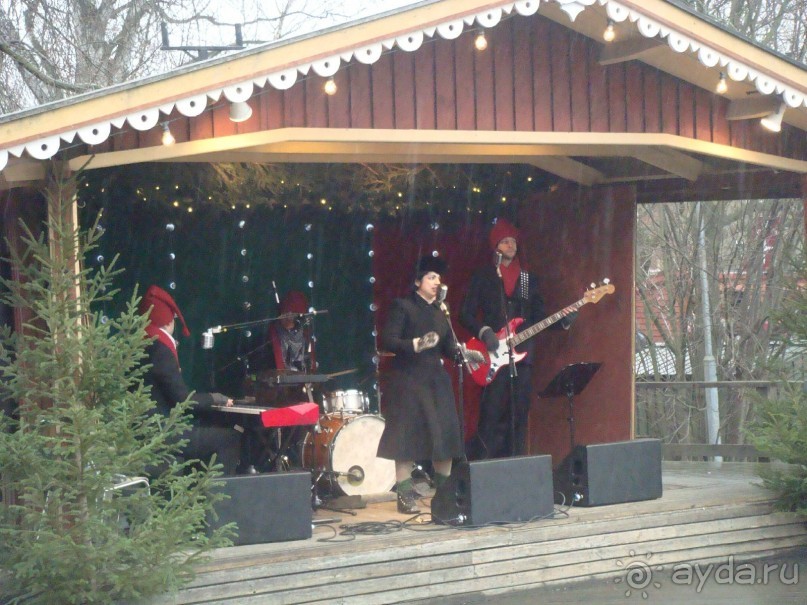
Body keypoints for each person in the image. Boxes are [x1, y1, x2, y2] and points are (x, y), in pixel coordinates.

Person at [459, 219, 573, 460]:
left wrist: (562, 321)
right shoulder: (485, 276)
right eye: (504, 241)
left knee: (519, 415)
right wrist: (485, 332)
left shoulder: (527, 279)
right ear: (496, 247)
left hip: (522, 357)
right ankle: (484, 465)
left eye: (512, 241)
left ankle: (517, 464)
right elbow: (465, 314)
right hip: (492, 353)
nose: (510, 245)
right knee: (491, 414)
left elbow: (538, 317)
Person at [377, 256, 464, 514]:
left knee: (444, 438)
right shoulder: (402, 307)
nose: (437, 282)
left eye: (439, 277)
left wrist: (462, 352)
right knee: (407, 439)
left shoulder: (441, 311)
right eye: (431, 277)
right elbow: (388, 341)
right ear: (417, 282)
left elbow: (447, 346)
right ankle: (404, 495)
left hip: (436, 380)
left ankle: (445, 494)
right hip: (409, 379)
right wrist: (415, 344)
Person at [139, 285, 241, 475]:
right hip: (162, 433)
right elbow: (182, 400)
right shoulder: (159, 349)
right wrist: (215, 398)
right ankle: (217, 501)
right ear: (168, 321)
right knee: (229, 438)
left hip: (146, 430)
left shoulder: (140, 345)